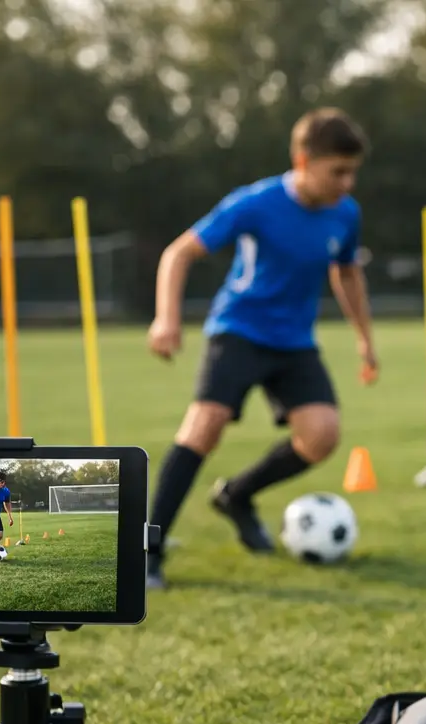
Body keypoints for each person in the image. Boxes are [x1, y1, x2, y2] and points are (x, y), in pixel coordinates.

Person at [143, 107, 378, 588]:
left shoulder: (345, 214)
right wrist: (167, 318)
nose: (348, 183)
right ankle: (149, 549)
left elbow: (347, 273)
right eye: (338, 171)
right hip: (239, 330)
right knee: (204, 427)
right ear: (302, 160)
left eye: (353, 172)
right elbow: (179, 253)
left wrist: (364, 340)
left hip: (294, 341)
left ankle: (236, 495)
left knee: (322, 435)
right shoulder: (253, 203)